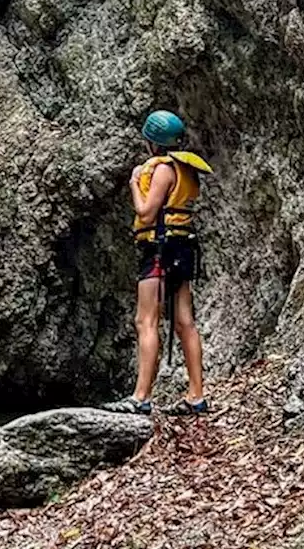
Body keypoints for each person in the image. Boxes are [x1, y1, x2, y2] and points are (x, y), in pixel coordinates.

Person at [115, 110, 213, 417]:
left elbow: (145, 213)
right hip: (181, 248)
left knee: (146, 321)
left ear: (153, 142)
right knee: (185, 321)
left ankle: (140, 397)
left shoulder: (161, 171)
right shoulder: (185, 169)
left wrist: (134, 183)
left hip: (158, 250)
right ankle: (196, 396)